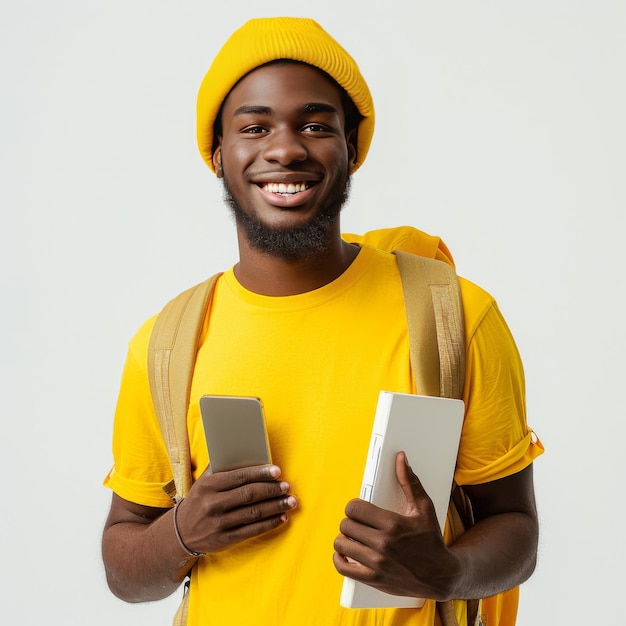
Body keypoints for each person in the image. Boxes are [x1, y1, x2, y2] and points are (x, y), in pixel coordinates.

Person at [101, 16, 543, 626]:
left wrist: (447, 572)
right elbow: (124, 567)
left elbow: (515, 524)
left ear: (352, 148)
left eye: (314, 124)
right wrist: (183, 531)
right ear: (218, 153)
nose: (284, 148)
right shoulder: (167, 343)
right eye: (254, 127)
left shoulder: (454, 318)